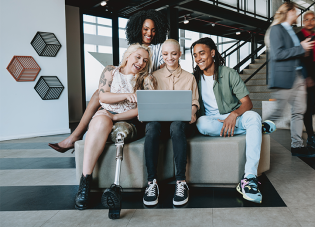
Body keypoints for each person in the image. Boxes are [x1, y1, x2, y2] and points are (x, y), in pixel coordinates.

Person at [49, 9, 169, 152]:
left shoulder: (160, 49)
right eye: (146, 29)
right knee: (99, 94)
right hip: (127, 89)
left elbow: (163, 72)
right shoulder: (133, 48)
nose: (149, 33)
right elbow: (123, 71)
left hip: (142, 89)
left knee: (98, 97)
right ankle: (79, 135)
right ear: (138, 28)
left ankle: (78, 136)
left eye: (153, 30)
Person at [191, 37, 276, 204]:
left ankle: (249, 178)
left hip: (234, 115)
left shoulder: (228, 73)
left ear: (212, 53)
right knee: (202, 124)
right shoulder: (193, 78)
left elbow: (247, 103)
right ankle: (256, 128)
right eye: (195, 55)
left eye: (202, 53)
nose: (198, 58)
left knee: (254, 116)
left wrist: (234, 114)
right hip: (211, 120)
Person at [74, 43, 156, 211]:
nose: (141, 63)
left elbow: (144, 109)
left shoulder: (146, 79)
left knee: (107, 120)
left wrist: (115, 116)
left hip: (129, 119)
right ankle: (85, 182)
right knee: (100, 121)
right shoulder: (110, 71)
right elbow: (103, 95)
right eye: (138, 57)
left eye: (145, 61)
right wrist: (126, 95)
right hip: (106, 111)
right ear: (128, 56)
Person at [142, 39, 199, 206]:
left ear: (180, 54)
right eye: (165, 54)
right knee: (151, 127)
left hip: (181, 125)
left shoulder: (189, 78)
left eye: (174, 53)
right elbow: (149, 102)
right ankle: (151, 182)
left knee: (176, 125)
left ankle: (181, 182)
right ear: (162, 55)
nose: (170, 57)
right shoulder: (154, 77)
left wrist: (192, 112)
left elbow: (194, 102)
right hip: (160, 125)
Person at [266, 2, 315, 157]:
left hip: (298, 75)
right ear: (289, 12)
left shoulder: (291, 31)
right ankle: (255, 131)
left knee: (298, 112)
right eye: (296, 11)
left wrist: (303, 52)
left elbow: (295, 53)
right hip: (286, 77)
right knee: (278, 112)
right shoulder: (276, 29)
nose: (298, 15)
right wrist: (301, 48)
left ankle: (297, 146)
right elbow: (278, 54)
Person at [296, 11, 315, 149]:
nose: (310, 22)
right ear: (303, 21)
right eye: (307, 19)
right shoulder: (299, 36)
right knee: (308, 107)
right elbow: (297, 59)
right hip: (306, 77)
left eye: (312, 19)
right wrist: (306, 76)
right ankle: (311, 136)